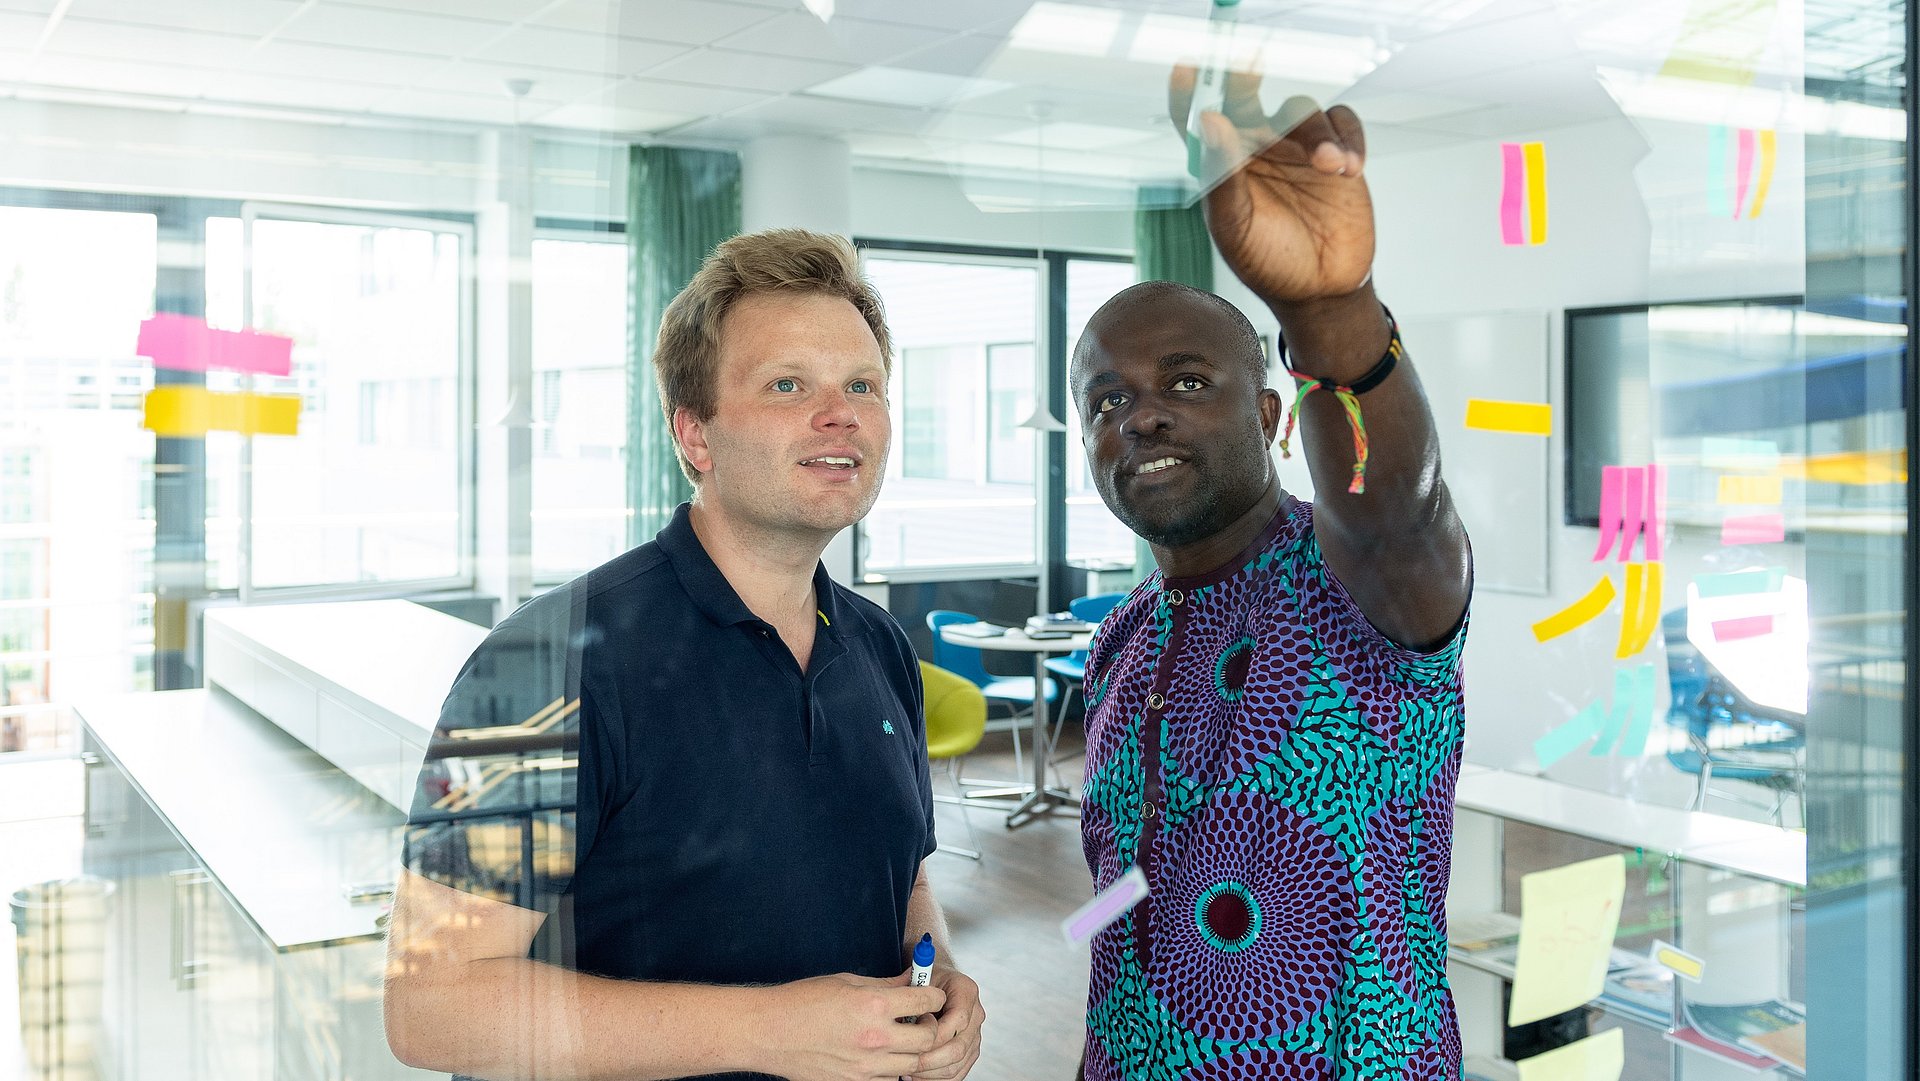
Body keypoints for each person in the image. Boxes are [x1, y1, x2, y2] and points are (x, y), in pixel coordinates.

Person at [383, 228, 984, 1081]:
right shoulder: (538, 661)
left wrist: (941, 973)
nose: (840, 412)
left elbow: (907, 881)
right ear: (695, 433)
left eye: (862, 384)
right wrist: (770, 1030)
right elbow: (431, 1006)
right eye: (787, 384)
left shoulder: (881, 648)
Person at [1069, 67, 1473, 1080]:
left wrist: (1333, 314)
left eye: (1186, 383)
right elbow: (1127, 884)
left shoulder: (1357, 585)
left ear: (1269, 413)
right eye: (1104, 403)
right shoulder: (1120, 644)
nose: (1140, 417)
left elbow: (1400, 507)